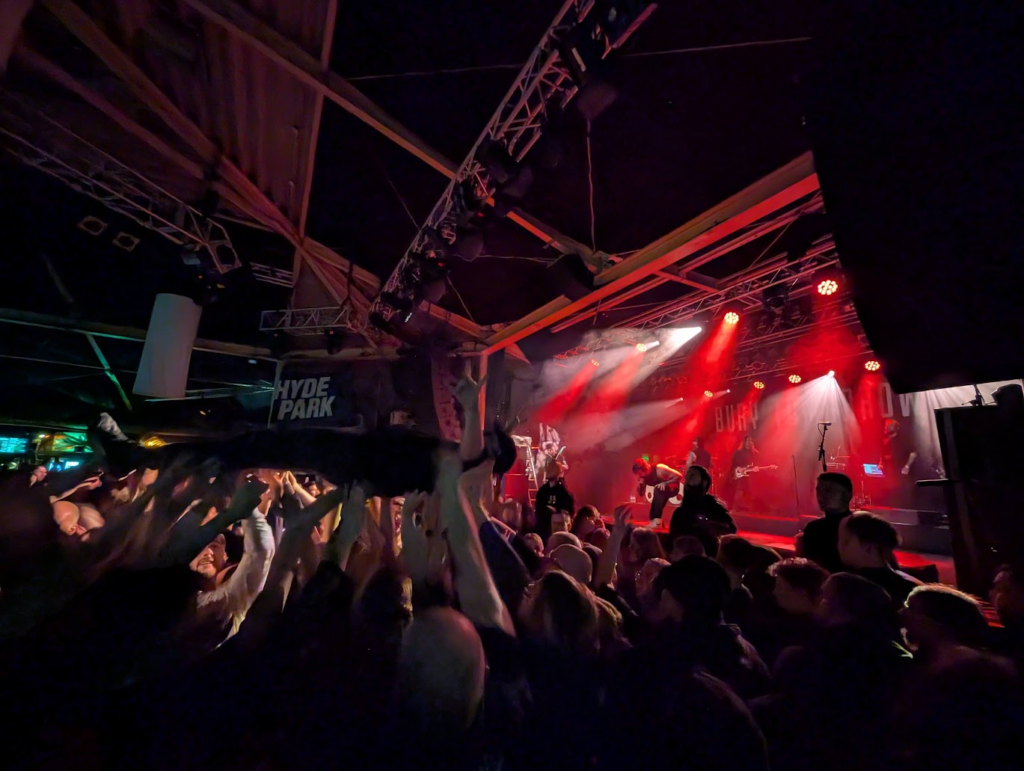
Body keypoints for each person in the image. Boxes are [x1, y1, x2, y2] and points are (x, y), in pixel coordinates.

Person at [838, 511, 922, 607]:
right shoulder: (911, 586)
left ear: (868, 547)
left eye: (846, 542)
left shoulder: (848, 589)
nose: (839, 547)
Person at [900, 584, 990, 666]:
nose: (901, 613)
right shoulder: (924, 661)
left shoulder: (969, 667)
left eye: (912, 608)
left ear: (939, 620)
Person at [798, 471, 854, 573]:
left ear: (847, 495)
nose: (821, 496)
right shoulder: (813, 529)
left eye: (828, 491)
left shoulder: (859, 527)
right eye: (818, 491)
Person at [669, 465, 736, 541]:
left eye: (693, 475)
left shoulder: (713, 507)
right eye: (688, 475)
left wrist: (708, 525)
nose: (689, 478)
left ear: (704, 482)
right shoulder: (680, 512)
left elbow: (731, 528)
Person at [632, 457, 682, 528]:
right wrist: (640, 485)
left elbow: (679, 476)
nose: (639, 475)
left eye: (640, 473)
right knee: (657, 497)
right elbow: (641, 494)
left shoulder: (660, 469)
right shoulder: (642, 477)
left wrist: (665, 483)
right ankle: (656, 521)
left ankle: (656, 520)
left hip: (672, 487)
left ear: (645, 469)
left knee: (658, 490)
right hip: (661, 491)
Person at [533, 458, 575, 542]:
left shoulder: (564, 493)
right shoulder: (542, 492)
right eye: (549, 467)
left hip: (558, 533)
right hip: (543, 531)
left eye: (553, 467)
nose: (549, 469)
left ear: (558, 471)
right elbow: (538, 510)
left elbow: (569, 512)